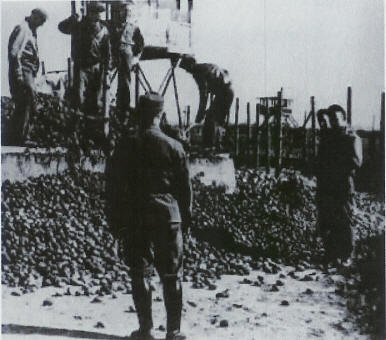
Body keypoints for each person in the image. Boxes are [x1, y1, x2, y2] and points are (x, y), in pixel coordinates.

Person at [105, 93, 192, 340]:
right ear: (161, 115)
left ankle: (146, 330)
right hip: (168, 216)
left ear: (138, 115)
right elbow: (184, 190)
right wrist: (185, 221)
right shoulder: (175, 147)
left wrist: (115, 221)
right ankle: (174, 331)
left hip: (136, 215)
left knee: (139, 271)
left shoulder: (125, 145)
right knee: (172, 274)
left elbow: (112, 186)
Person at [58, 1, 111, 146]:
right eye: (95, 12)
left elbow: (107, 52)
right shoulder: (80, 25)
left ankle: (91, 134)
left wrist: (107, 70)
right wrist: (71, 19)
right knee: (78, 99)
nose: (97, 15)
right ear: (89, 13)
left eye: (99, 13)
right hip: (82, 67)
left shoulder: (104, 30)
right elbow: (62, 28)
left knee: (95, 101)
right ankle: (74, 133)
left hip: (97, 69)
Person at [316, 105, 363, 266]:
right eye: (332, 120)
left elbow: (356, 163)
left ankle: (347, 255)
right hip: (328, 185)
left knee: (345, 220)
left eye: (336, 119)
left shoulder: (352, 138)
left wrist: (337, 166)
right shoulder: (329, 138)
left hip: (343, 185)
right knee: (329, 220)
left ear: (343, 118)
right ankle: (332, 254)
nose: (334, 122)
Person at [8, 8, 47, 145]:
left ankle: (19, 137)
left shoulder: (31, 30)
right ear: (34, 16)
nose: (40, 25)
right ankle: (20, 138)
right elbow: (15, 53)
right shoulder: (23, 29)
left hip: (28, 71)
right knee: (26, 101)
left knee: (26, 102)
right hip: (23, 71)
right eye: (40, 21)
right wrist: (19, 75)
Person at [179, 55, 234, 147]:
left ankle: (210, 145)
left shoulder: (198, 73)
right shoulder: (205, 67)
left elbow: (204, 96)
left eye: (186, 68)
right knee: (214, 118)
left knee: (211, 118)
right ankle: (217, 144)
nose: (186, 71)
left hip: (225, 94)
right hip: (225, 92)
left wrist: (199, 116)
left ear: (190, 65)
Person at [111, 0, 144, 122]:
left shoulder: (134, 28)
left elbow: (140, 44)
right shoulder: (113, 25)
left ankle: (124, 111)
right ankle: (105, 105)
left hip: (127, 57)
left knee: (125, 83)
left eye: (128, 11)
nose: (126, 13)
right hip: (113, 56)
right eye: (124, 11)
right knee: (105, 79)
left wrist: (136, 58)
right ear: (119, 12)